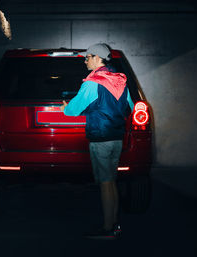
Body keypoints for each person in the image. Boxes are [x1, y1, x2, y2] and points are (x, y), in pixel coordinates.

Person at [60, 43, 134, 240]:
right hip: (116, 138)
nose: (85, 61)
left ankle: (108, 228)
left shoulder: (93, 82)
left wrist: (65, 108)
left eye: (88, 57)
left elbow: (73, 110)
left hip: (100, 139)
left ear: (98, 58)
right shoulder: (120, 81)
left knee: (105, 183)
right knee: (111, 182)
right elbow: (129, 108)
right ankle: (114, 226)